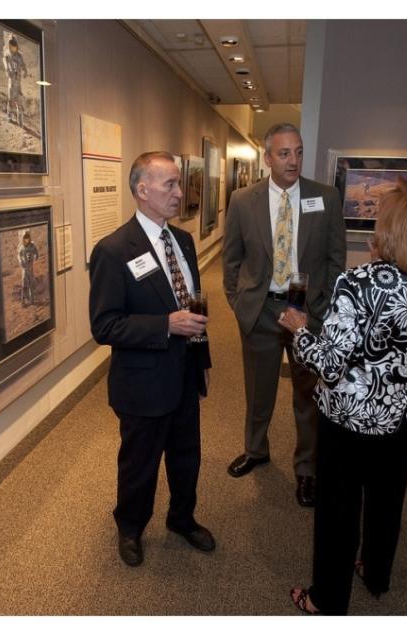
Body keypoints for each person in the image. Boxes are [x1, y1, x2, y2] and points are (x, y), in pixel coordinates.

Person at [279, 177, 407, 615]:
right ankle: (376, 573)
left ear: (393, 230)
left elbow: (330, 364)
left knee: (338, 511)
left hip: (353, 420)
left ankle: (327, 599)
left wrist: (299, 330)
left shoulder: (357, 283)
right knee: (387, 499)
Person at [89, 151, 214, 567]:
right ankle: (130, 527)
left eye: (180, 184)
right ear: (143, 190)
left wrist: (202, 360)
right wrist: (165, 324)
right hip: (142, 381)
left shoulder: (184, 241)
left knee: (186, 457)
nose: (180, 193)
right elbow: (105, 326)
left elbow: (192, 303)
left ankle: (182, 518)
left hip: (184, 373)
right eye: (171, 185)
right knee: (139, 465)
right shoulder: (112, 250)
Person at [222, 123, 346, 507]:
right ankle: (256, 450)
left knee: (307, 396)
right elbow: (232, 259)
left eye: (299, 152)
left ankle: (307, 470)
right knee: (258, 391)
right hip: (261, 310)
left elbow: (335, 259)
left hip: (306, 313)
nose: (293, 161)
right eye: (284, 153)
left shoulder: (325, 198)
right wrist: (239, 301)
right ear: (267, 157)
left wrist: (322, 311)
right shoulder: (243, 200)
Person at [3, 36, 27, 126]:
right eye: (11, 47)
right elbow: (5, 61)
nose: (13, 49)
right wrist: (7, 69)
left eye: (14, 47)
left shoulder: (19, 56)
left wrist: (25, 70)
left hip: (18, 83)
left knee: (19, 101)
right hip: (12, 82)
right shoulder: (7, 55)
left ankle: (20, 120)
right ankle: (9, 116)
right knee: (11, 100)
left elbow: (23, 64)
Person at [18, 230, 39, 306]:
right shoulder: (21, 248)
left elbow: (36, 252)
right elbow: (19, 255)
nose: (26, 240)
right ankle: (23, 301)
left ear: (29, 238)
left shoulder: (32, 246)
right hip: (24, 269)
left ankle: (32, 300)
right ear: (22, 239)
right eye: (25, 238)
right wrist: (20, 261)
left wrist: (36, 256)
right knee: (24, 285)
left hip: (30, 268)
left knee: (31, 284)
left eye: (27, 238)